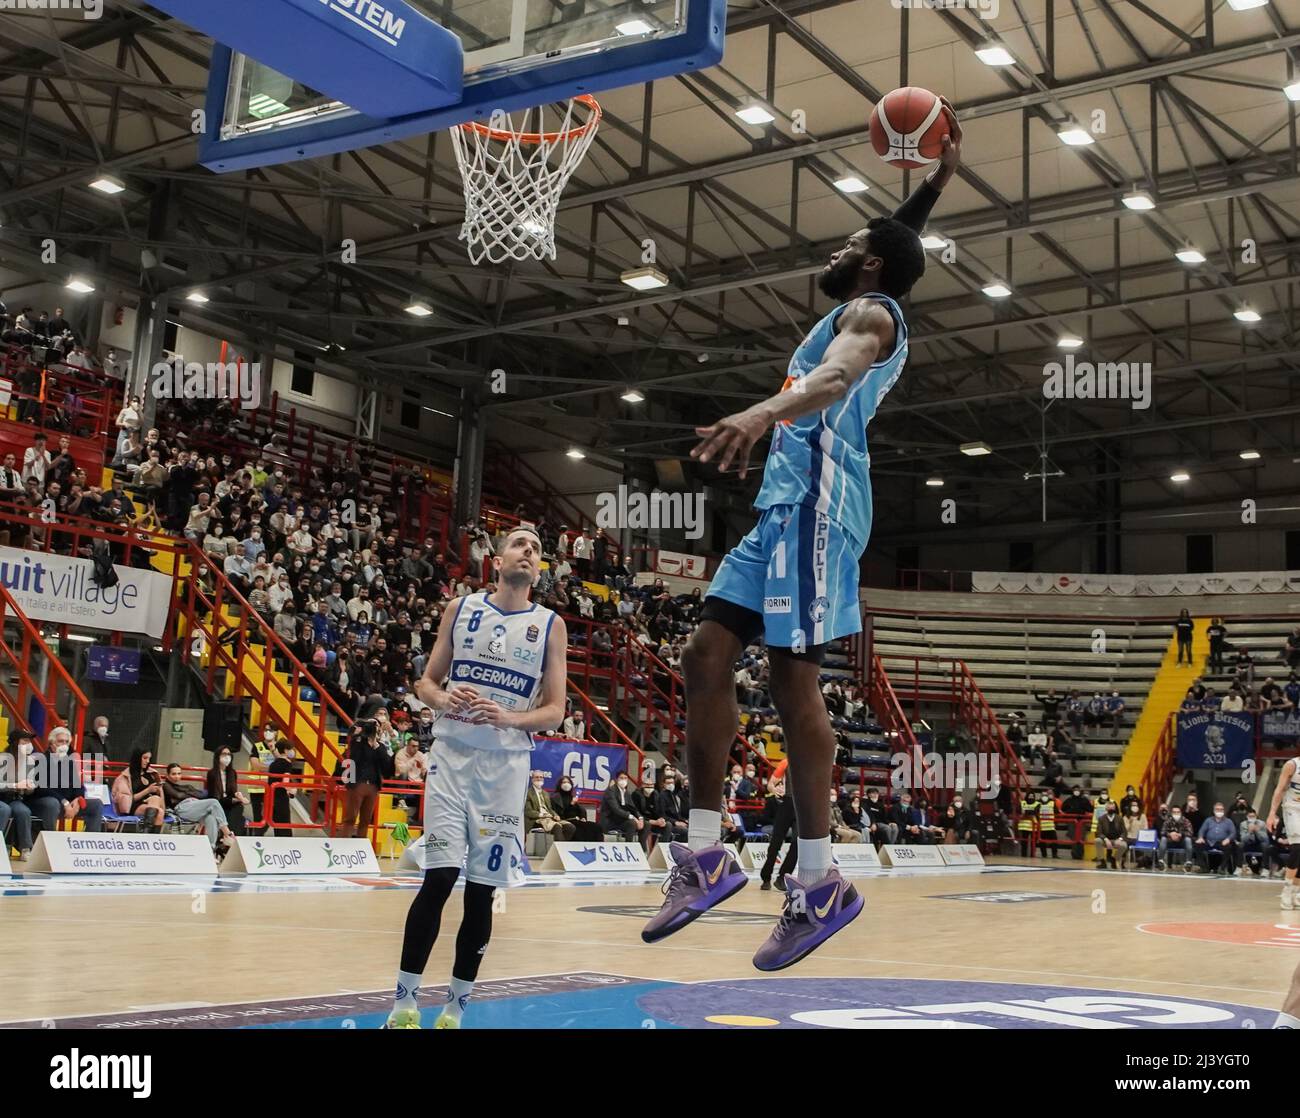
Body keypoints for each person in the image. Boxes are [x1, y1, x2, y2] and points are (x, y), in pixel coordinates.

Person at [641, 103, 964, 970]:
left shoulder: (873, 320)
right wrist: (934, 181)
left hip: (822, 507)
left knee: (793, 686)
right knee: (706, 656)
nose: (829, 253)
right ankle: (705, 854)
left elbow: (833, 379)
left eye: (845, 246)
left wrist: (761, 410)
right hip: (782, 506)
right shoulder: (872, 284)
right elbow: (896, 245)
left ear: (865, 265)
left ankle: (819, 882)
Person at [387, 527, 568, 1031]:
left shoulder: (549, 625)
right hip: (452, 757)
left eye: (536, 549)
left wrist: (510, 718)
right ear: (498, 558)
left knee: (481, 891)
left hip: (506, 769)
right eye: (519, 543)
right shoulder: (461, 609)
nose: (528, 551)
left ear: (540, 569)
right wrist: (442, 699)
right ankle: (403, 1004)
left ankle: (454, 1010)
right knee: (439, 877)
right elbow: (424, 681)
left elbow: (555, 711)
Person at [161, 764, 236, 854]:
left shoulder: (185, 787)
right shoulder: (165, 785)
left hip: (193, 807)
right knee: (213, 802)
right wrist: (190, 792)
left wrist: (188, 792)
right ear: (167, 775)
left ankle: (210, 850)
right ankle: (227, 834)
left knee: (211, 818)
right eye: (174, 774)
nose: (177, 776)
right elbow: (178, 795)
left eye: (179, 773)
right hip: (181, 808)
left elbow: (203, 794)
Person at [1266, 757, 1300, 909]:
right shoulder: (1292, 765)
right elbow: (1279, 789)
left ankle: (1295, 892)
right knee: (1297, 848)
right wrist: (1272, 813)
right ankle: (1287, 889)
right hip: (1292, 807)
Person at [111, 748, 165, 832]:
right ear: (137, 758)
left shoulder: (152, 774)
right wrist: (147, 791)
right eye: (145, 758)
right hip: (133, 805)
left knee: (158, 805)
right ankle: (148, 838)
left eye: (149, 758)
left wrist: (157, 791)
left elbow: (160, 797)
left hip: (151, 804)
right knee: (158, 809)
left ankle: (146, 834)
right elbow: (126, 801)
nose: (147, 761)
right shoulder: (125, 777)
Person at [204, 747, 249, 836]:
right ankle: (230, 838)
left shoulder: (232, 773)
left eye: (229, 754)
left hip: (229, 802)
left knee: (239, 809)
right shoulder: (212, 773)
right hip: (217, 803)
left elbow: (233, 792)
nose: (227, 756)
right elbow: (215, 796)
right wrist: (237, 800)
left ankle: (229, 839)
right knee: (238, 818)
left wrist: (239, 797)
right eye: (224, 754)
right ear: (218, 756)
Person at [524, 770, 574, 842]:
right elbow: (528, 811)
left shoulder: (546, 793)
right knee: (556, 827)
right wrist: (543, 815)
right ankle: (559, 849)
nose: (539, 779)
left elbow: (550, 809)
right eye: (536, 777)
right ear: (532, 779)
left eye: (541, 777)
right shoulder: (528, 793)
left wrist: (555, 815)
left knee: (570, 827)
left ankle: (557, 847)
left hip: (549, 818)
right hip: (536, 820)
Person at [551, 776, 603, 842]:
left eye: (568, 782)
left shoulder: (571, 796)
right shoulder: (556, 797)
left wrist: (582, 817)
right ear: (560, 784)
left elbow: (579, 810)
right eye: (564, 782)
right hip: (566, 820)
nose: (566, 784)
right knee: (581, 829)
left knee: (596, 827)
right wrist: (571, 804)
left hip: (577, 820)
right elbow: (562, 813)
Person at [1195, 802, 1238, 875]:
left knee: (1229, 847)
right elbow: (1202, 830)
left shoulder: (1228, 821)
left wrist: (1228, 839)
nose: (1219, 811)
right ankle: (1204, 867)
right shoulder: (1208, 820)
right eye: (1217, 809)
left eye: (1221, 809)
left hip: (1222, 842)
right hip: (1209, 842)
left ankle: (1222, 868)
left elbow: (1233, 833)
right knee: (1197, 845)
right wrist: (1200, 837)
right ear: (1214, 810)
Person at [601, 771, 644, 843]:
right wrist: (633, 817)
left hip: (622, 820)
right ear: (617, 779)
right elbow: (616, 809)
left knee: (646, 824)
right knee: (632, 823)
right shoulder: (611, 791)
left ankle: (643, 849)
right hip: (611, 821)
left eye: (625, 778)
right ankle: (628, 846)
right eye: (621, 778)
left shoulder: (627, 792)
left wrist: (640, 818)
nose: (623, 780)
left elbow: (633, 808)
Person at [1160, 804, 1195, 871]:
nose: (1176, 813)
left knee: (1188, 839)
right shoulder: (1168, 820)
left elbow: (1190, 832)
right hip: (1170, 842)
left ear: (1181, 813)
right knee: (1163, 839)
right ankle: (1161, 861)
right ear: (1171, 813)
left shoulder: (1186, 821)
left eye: (1178, 812)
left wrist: (1180, 835)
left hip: (1182, 842)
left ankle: (1188, 863)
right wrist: (1170, 834)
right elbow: (1162, 832)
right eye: (1174, 812)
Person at [1094, 800, 1126, 868]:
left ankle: (1114, 859)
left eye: (1112, 808)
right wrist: (1105, 839)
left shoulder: (1119, 818)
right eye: (1109, 808)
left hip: (1116, 840)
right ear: (1106, 809)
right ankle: (1102, 862)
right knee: (1097, 840)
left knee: (1124, 845)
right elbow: (1099, 832)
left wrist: (1120, 839)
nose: (1111, 809)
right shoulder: (1101, 818)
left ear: (1114, 809)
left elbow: (1124, 832)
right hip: (1105, 840)